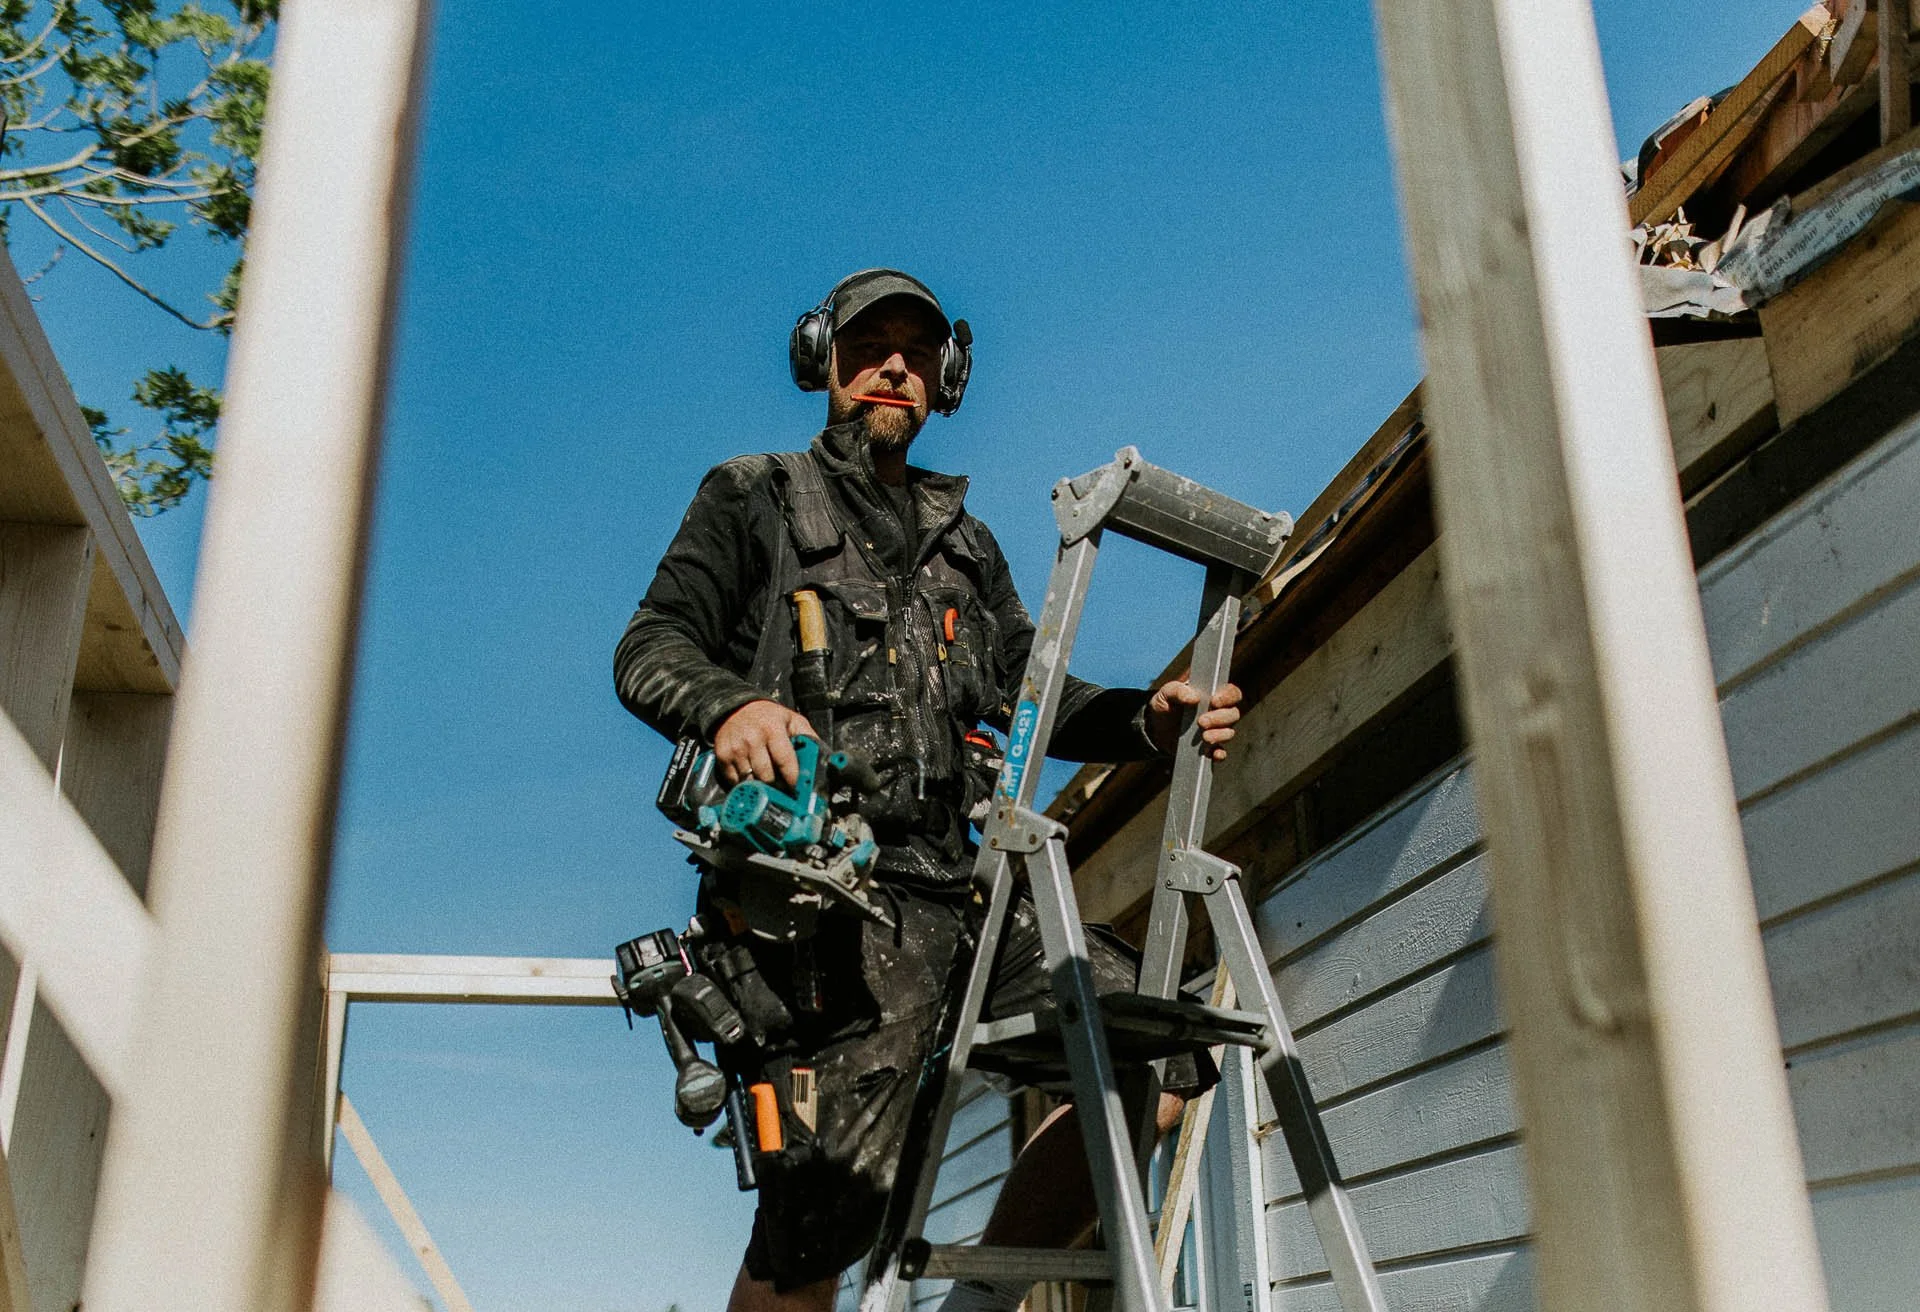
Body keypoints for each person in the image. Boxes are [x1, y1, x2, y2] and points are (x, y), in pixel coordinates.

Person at [614, 269, 1243, 1312]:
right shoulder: (753, 496)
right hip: (822, 916)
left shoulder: (967, 545)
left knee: (1156, 1044)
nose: (893, 366)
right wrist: (729, 709)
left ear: (945, 377)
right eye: (868, 348)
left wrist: (1147, 717)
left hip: (963, 896)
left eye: (915, 350)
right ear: (824, 362)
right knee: (817, 1220)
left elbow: (1035, 689)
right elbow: (648, 645)